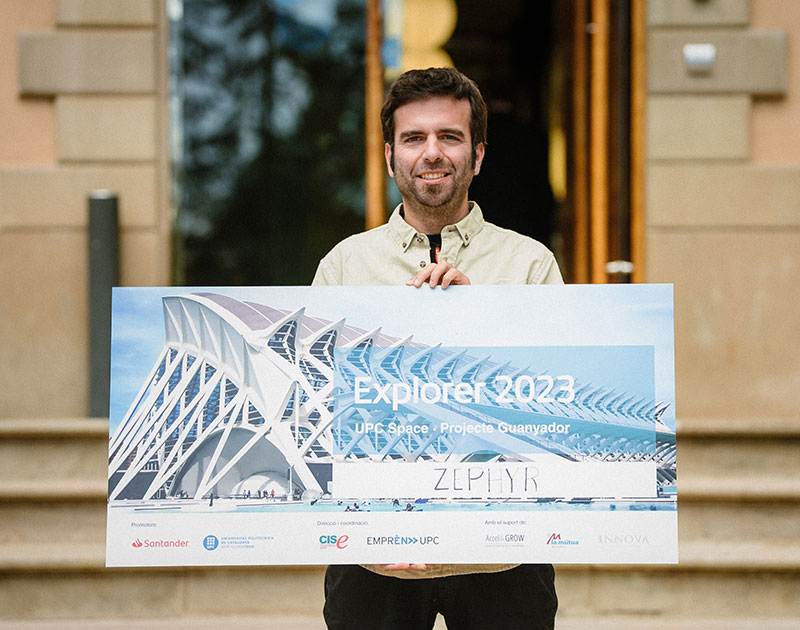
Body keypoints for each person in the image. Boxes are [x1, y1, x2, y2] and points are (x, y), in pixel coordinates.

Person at [313, 67, 561, 630]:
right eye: (413, 138)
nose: (432, 153)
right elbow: (318, 408)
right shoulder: (344, 266)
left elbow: (553, 409)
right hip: (376, 555)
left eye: (450, 137)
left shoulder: (530, 264)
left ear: (477, 156)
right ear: (389, 156)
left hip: (502, 554)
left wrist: (481, 321)